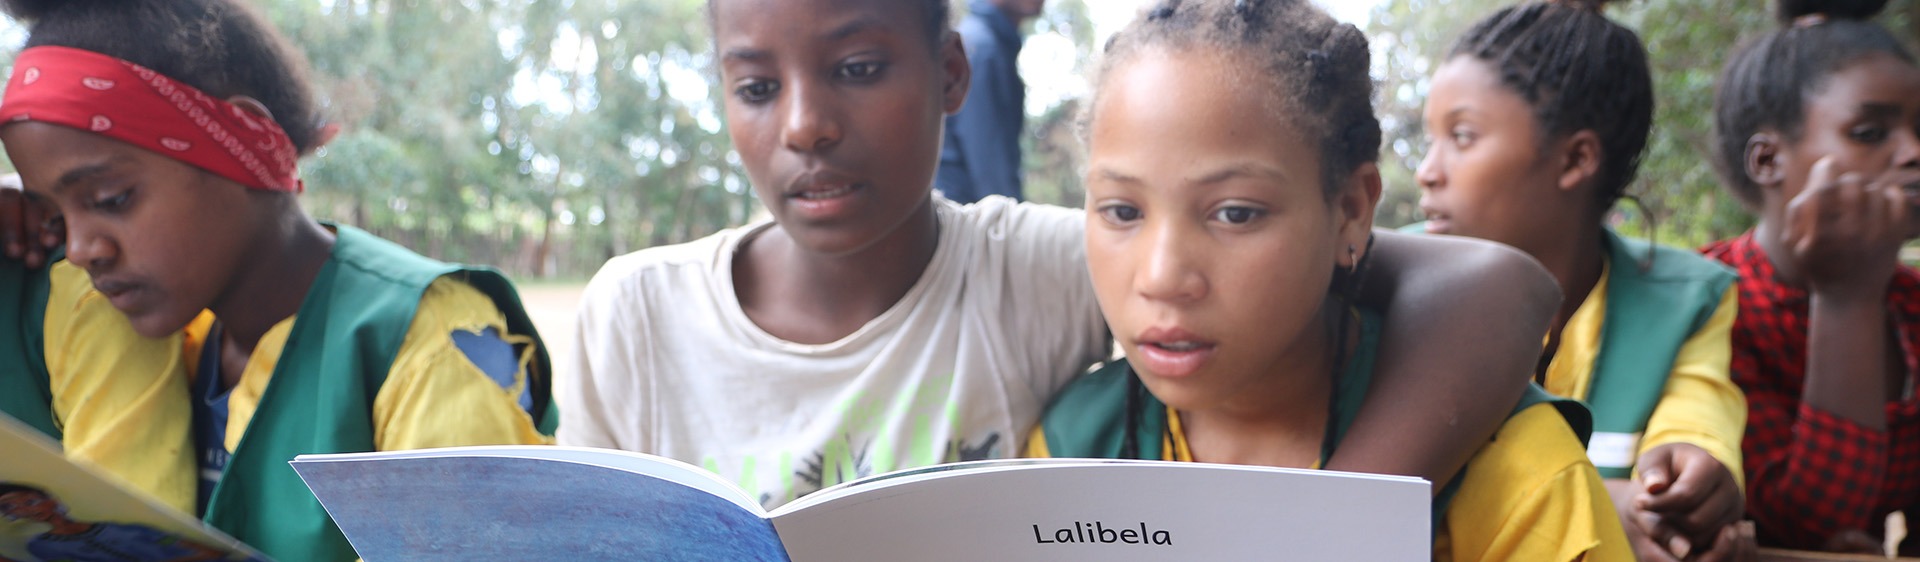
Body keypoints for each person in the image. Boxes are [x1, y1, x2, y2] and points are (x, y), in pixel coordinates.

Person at [565, 0, 1567, 510]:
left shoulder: (1033, 269)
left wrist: (1336, 523)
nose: (807, 125)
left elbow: (1497, 285)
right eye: (753, 88)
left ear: (953, 72)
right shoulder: (636, 315)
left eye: (859, 68)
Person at [1026, 1, 1630, 559]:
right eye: (1122, 211)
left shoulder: (1514, 471)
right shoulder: (1068, 452)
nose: (1161, 278)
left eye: (1235, 213)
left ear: (1351, 211)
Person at [0, 1, 559, 559]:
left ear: (238, 138)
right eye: (54, 216)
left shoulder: (427, 346)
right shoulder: (189, 347)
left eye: (110, 199)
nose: (80, 249)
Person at [1410, 1, 1752, 559]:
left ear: (1575, 159)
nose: (1428, 169)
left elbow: (1698, 414)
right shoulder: (1382, 282)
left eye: (1463, 136)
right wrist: (1591, 498)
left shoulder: (1689, 298)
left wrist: (1688, 483)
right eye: (1431, 137)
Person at [1700, 0, 1920, 554]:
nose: (1914, 153)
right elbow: (1811, 523)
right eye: (1871, 133)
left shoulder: (1912, 305)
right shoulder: (1705, 300)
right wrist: (1847, 297)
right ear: (1768, 161)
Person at [936, 0, 1044, 203]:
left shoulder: (994, 44)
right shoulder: (982, 48)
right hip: (966, 217)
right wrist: (1012, 230)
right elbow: (990, 169)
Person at [0, 484, 250, 562]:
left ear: (51, 500)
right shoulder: (41, 547)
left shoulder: (120, 528)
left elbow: (208, 551)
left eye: (31, 502)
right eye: (11, 507)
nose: (25, 511)